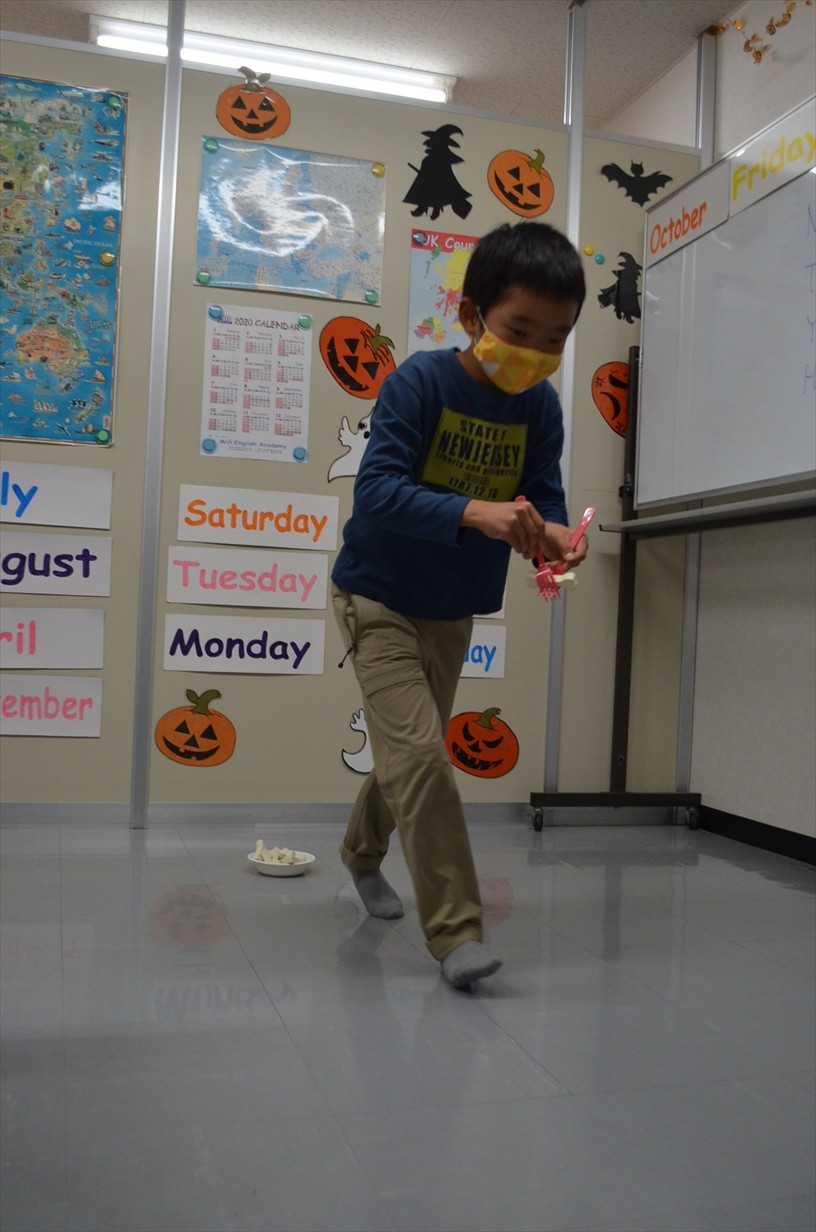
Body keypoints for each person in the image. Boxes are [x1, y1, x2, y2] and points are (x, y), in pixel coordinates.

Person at [331, 220, 588, 989]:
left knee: (408, 754)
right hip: (376, 593)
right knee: (419, 756)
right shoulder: (419, 382)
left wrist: (552, 540)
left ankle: (360, 853)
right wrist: (476, 512)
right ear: (472, 315)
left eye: (556, 338)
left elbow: (540, 503)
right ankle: (456, 934)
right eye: (520, 330)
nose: (536, 351)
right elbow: (376, 491)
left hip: (451, 606)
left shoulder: (540, 410)